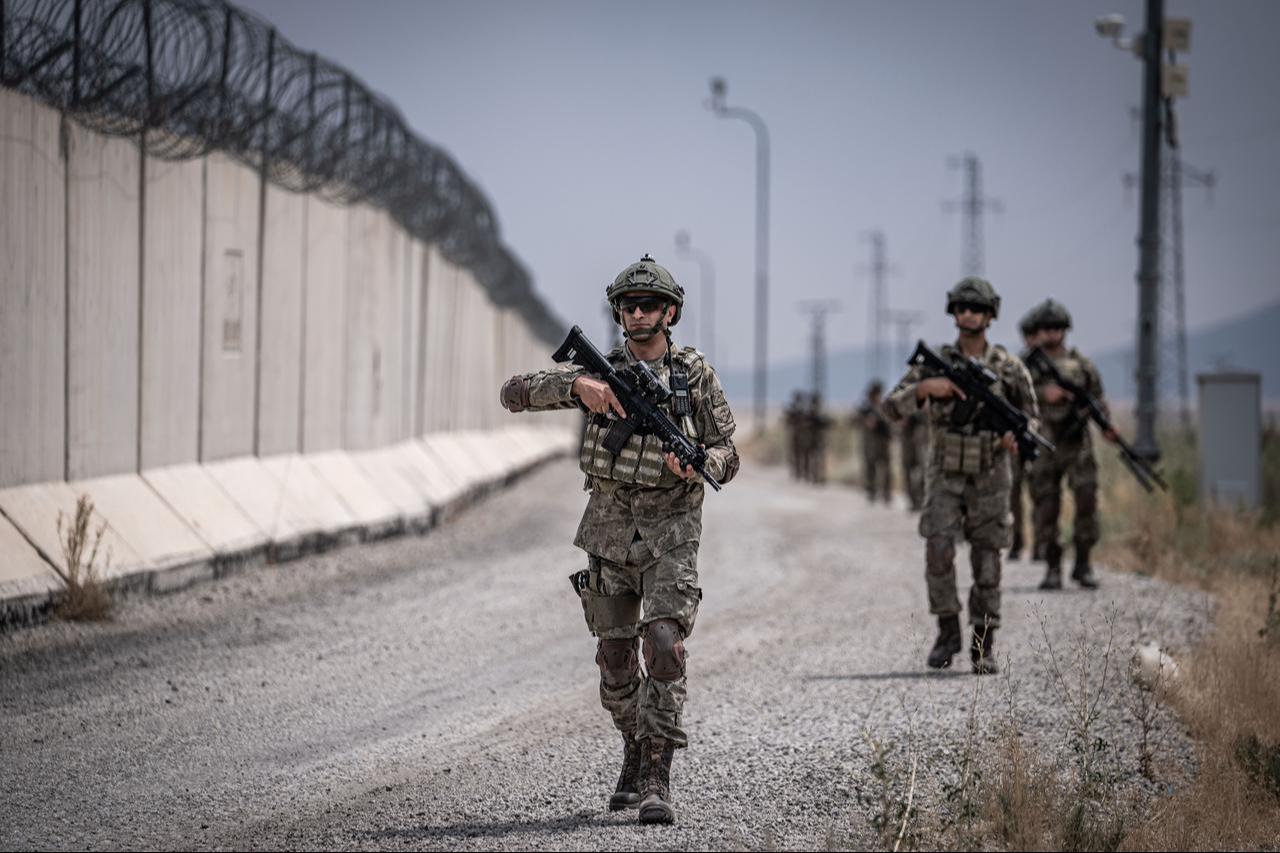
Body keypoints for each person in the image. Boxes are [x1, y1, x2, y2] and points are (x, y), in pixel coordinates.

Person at [499, 254, 739, 825]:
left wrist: (703, 460)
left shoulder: (694, 376)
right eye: (628, 305)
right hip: (608, 533)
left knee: (663, 644)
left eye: (648, 304)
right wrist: (577, 385)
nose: (637, 313)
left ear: (670, 312)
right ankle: (633, 742)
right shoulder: (599, 372)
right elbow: (513, 393)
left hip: (672, 535)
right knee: (614, 659)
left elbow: (729, 455)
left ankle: (657, 774)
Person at [883, 277, 1038, 674]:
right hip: (945, 472)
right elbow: (892, 409)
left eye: (975, 307)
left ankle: (983, 642)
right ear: (953, 312)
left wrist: (1014, 438)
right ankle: (947, 631)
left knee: (988, 558)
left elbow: (1030, 419)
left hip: (990, 473)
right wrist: (926, 389)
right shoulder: (934, 363)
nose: (967, 314)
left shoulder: (1008, 368)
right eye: (961, 307)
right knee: (938, 550)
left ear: (990, 315)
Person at [1025, 299, 1116, 591]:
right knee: (1046, 505)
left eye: (1057, 328)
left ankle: (1083, 563)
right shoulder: (1028, 366)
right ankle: (1052, 566)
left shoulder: (1082, 365)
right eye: (1047, 328)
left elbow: (1099, 400)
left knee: (1086, 501)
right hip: (1045, 441)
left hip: (1077, 444)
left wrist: (1102, 420)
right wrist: (1043, 394)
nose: (1052, 334)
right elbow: (1014, 400)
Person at [1009, 309, 1043, 561]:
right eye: (1029, 336)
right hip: (1018, 436)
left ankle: (1042, 541)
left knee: (1041, 492)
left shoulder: (1061, 367)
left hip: (1042, 435)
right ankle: (1017, 541)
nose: (1034, 340)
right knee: (1013, 492)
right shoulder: (1017, 367)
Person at [856, 380, 893, 503]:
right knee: (871, 467)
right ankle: (871, 491)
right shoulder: (867, 408)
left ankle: (886, 493)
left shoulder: (883, 408)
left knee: (886, 468)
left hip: (883, 441)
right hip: (871, 442)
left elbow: (890, 424)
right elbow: (862, 421)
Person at [783, 390, 810, 480]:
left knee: (805, 455)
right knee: (796, 454)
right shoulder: (794, 409)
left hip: (805, 436)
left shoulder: (805, 410)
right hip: (796, 435)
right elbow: (788, 420)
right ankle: (797, 471)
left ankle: (804, 472)